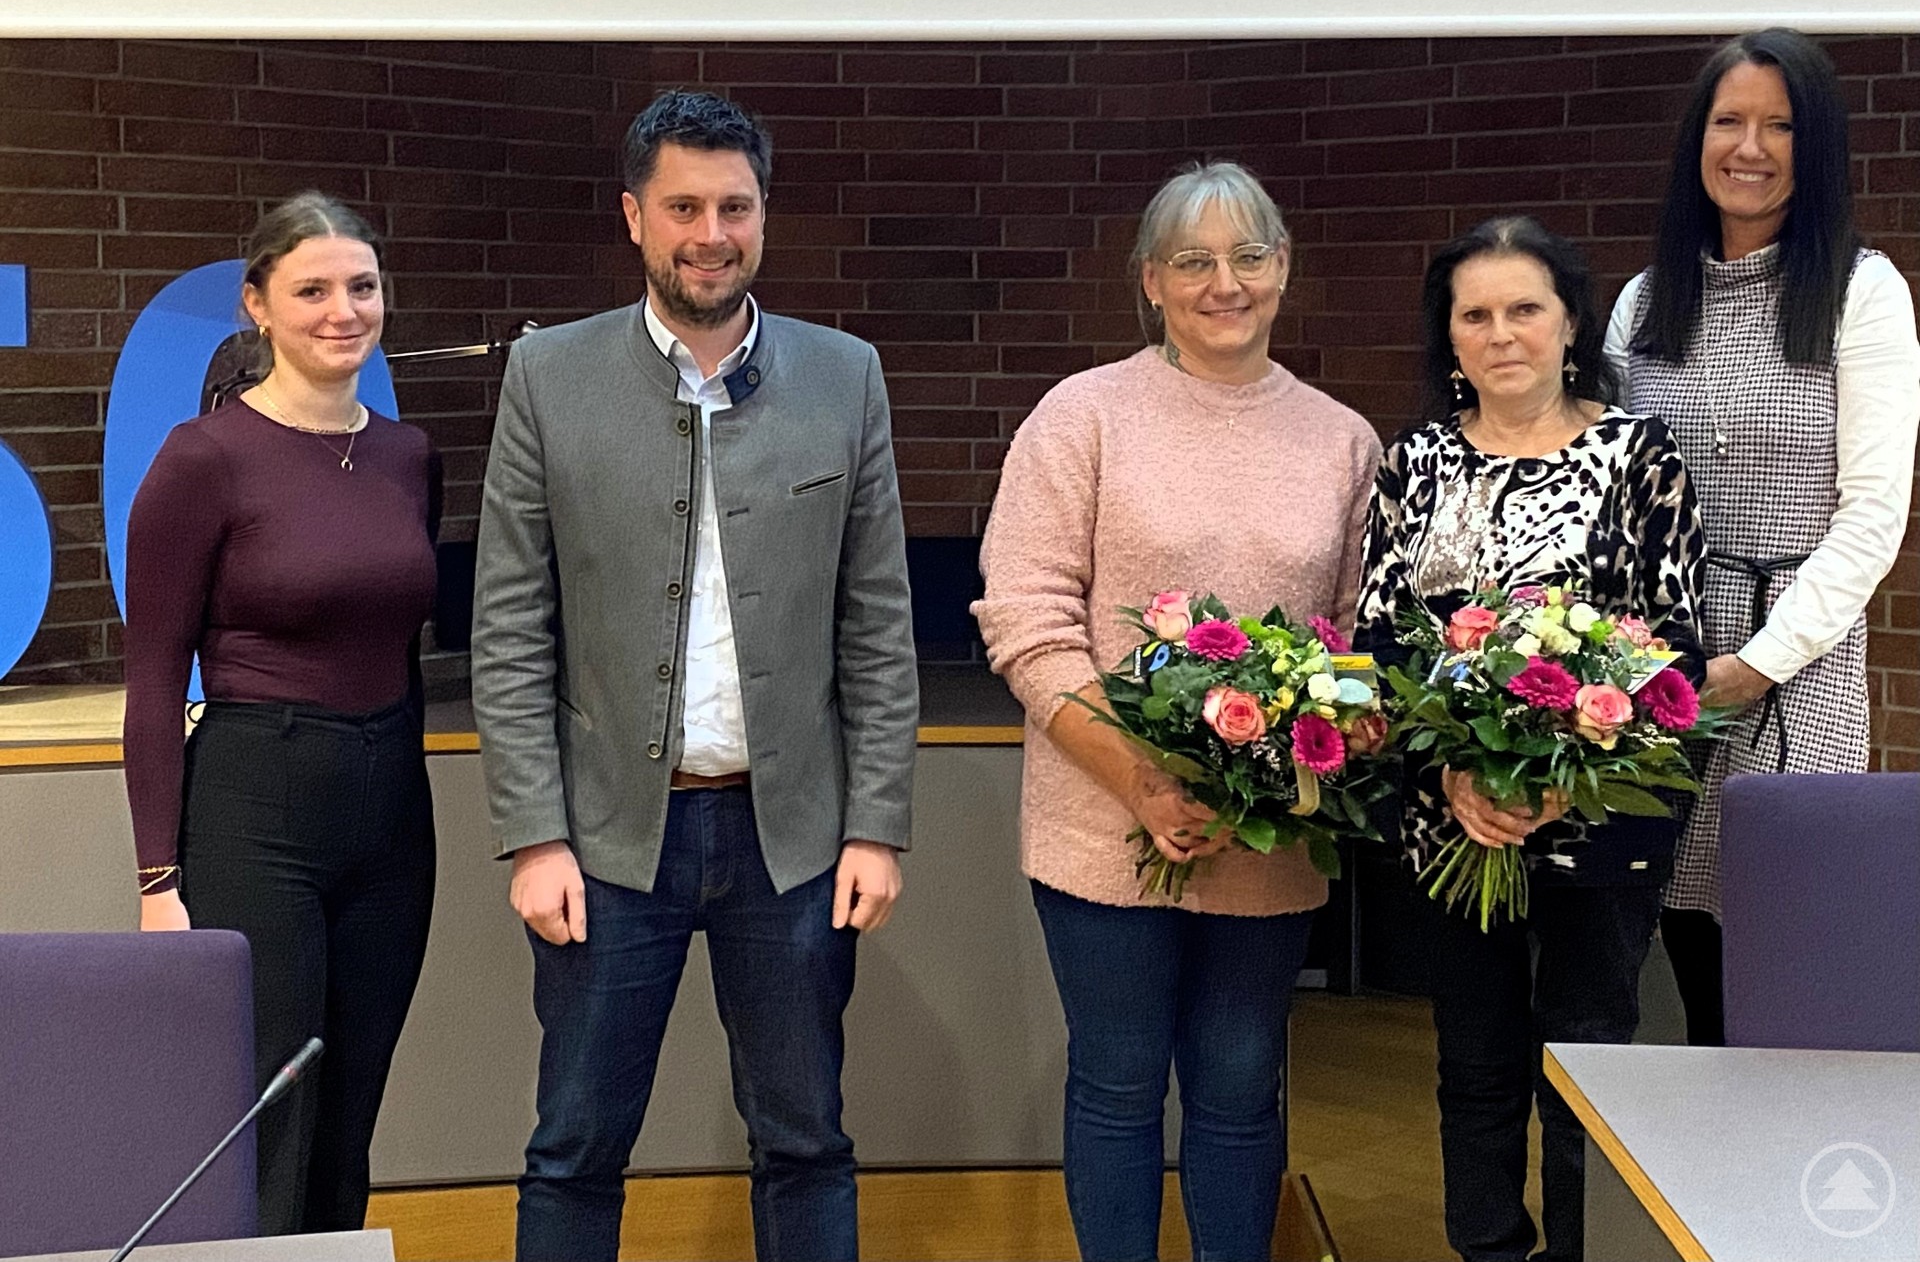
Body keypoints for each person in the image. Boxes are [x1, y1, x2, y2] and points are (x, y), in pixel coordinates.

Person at [471, 89, 917, 1262]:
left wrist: (876, 824)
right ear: (633, 215)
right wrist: (532, 834)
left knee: (807, 1139)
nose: (709, 231)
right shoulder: (547, 377)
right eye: (682, 205)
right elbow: (510, 623)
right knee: (573, 1147)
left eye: (734, 205)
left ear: (764, 214)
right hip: (607, 843)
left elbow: (878, 623)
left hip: (795, 841)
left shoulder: (847, 374)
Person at [972, 161, 1381, 1262]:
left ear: (1284, 267)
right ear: (1150, 280)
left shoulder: (1343, 440)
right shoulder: (1082, 415)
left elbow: (1354, 636)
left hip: (1268, 829)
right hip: (1100, 821)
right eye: (1193, 261)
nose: (1224, 282)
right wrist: (1144, 779)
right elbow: (1025, 617)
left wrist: (1304, 748)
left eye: (1249, 255)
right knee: (1115, 1079)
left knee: (1243, 1083)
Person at [1354, 217, 1708, 1262]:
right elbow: (1382, 642)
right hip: (1453, 825)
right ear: (1450, 338)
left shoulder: (1639, 454)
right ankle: (1489, 1249)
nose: (1501, 332)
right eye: (1476, 314)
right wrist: (1458, 769)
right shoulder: (1413, 462)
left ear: (1570, 324)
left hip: (1597, 821)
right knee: (1473, 1063)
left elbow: (1671, 651)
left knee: (1588, 1060)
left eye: (1525, 308)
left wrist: (1562, 774)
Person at [123, 192, 441, 1234]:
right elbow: (157, 674)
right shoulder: (201, 458)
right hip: (256, 807)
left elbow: (403, 642)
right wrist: (158, 878)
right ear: (258, 304)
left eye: (361, 286)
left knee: (353, 1110)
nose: (341, 310)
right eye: (311, 289)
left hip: (392, 808)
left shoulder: (407, 455)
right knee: (271, 1110)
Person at [1605, 28, 1920, 1049]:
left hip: (1797, 669)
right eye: (1729, 119)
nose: (1751, 145)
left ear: (1816, 145)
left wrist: (1761, 659)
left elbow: (1872, 513)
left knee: (1788, 986)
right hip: (1660, 674)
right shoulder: (1645, 301)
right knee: (1687, 966)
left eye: (1780, 124)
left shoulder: (1861, 291)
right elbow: (1598, 483)